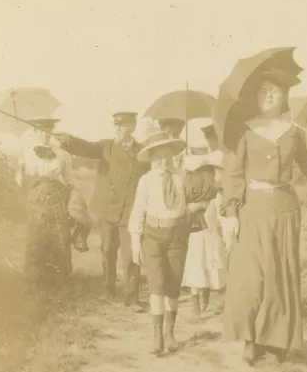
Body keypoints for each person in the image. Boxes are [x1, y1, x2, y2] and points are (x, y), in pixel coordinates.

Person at [221, 67, 307, 366]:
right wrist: (232, 212)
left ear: (283, 96)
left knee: (280, 275)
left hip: (286, 209)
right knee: (251, 277)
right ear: (255, 96)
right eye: (263, 90)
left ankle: (275, 340)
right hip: (252, 210)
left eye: (274, 90)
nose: (268, 94)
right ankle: (250, 339)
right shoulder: (244, 130)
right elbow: (233, 175)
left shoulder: (294, 131)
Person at [129, 129, 215, 355]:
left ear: (173, 155)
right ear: (151, 158)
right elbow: (138, 210)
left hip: (178, 235)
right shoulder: (146, 181)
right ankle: (156, 334)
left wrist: (195, 206)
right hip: (153, 235)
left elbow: (204, 196)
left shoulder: (184, 177)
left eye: (167, 154)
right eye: (157, 156)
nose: (163, 160)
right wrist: (135, 242)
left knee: (173, 287)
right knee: (156, 286)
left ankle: (170, 332)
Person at [57, 112, 149, 305]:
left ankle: (131, 298)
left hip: (131, 211)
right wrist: (69, 141)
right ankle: (109, 290)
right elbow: (87, 148)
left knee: (131, 255)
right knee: (107, 250)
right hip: (108, 210)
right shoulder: (105, 146)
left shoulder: (142, 152)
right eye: (115, 124)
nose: (116, 127)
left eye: (121, 124)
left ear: (132, 126)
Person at [16, 118, 73, 292]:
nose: (44, 134)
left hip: (57, 196)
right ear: (34, 132)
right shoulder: (26, 153)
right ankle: (32, 283)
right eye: (40, 130)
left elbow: (69, 179)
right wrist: (25, 173)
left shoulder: (62, 154)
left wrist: (68, 199)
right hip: (36, 197)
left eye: (48, 130)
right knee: (36, 239)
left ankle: (61, 283)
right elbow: (19, 180)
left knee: (61, 239)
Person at [182, 125, 227, 320]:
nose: (211, 141)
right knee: (195, 260)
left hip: (214, 214)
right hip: (197, 218)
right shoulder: (195, 163)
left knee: (212, 259)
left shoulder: (221, 157)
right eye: (208, 137)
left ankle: (207, 293)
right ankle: (194, 302)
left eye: (213, 137)